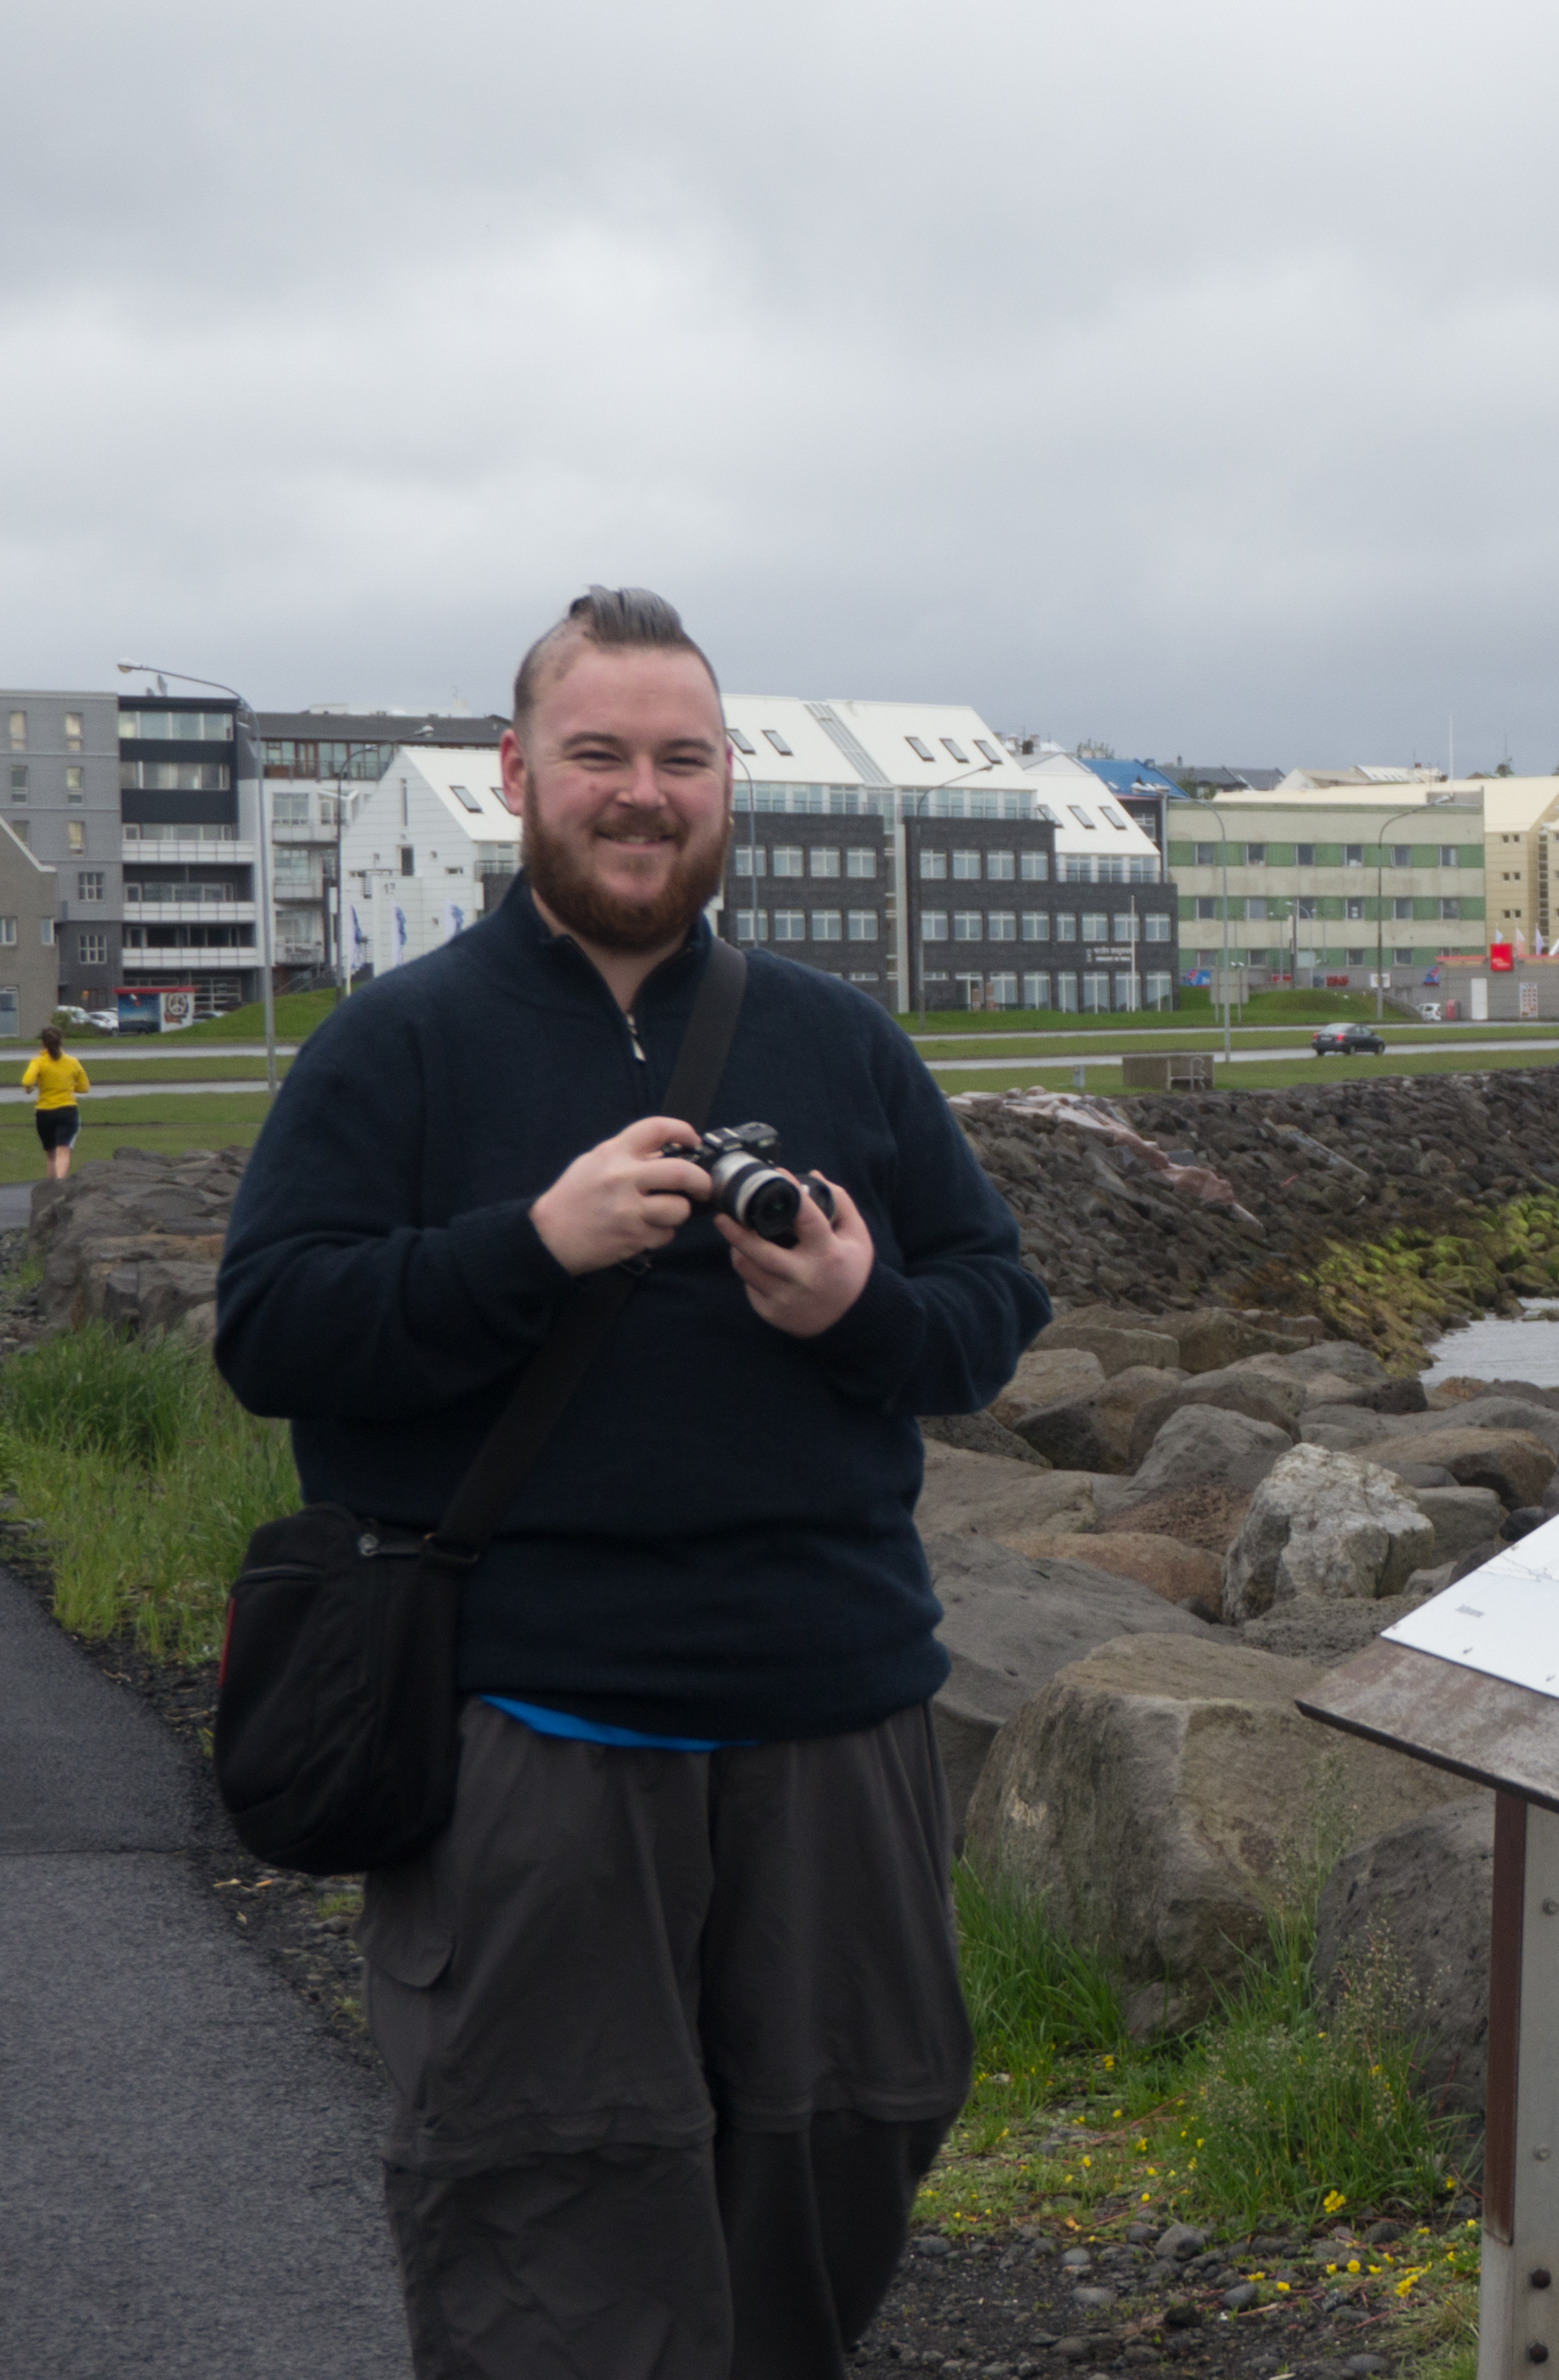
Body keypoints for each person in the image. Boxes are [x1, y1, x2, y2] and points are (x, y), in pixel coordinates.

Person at [214, 587, 1048, 2379]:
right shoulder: (399, 1042)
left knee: (852, 2128)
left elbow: (989, 1314)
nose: (640, 790)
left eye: (680, 755)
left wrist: (856, 1308)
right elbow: (274, 1330)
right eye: (598, 752)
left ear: (727, 782)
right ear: (519, 774)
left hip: (831, 1705)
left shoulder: (837, 1038)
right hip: (533, 1716)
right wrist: (529, 1244)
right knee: (548, 2180)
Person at [20, 1024, 89, 1180]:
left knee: (50, 1154)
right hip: (67, 1110)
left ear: (43, 1043)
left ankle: (51, 1186)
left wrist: (29, 1088)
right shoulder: (72, 1062)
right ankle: (61, 1182)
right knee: (63, 1151)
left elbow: (27, 1081)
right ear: (61, 1042)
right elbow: (85, 1087)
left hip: (44, 1112)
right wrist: (67, 1087)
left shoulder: (38, 1062)